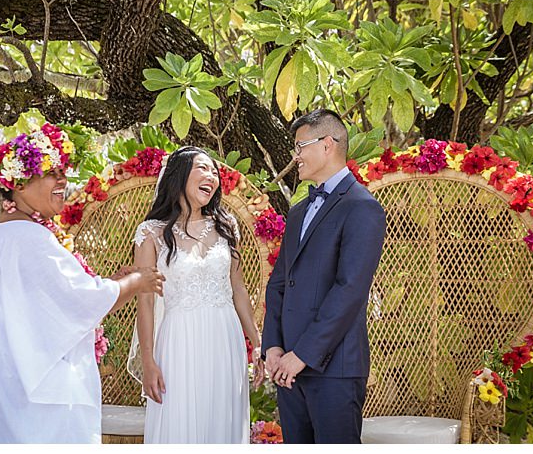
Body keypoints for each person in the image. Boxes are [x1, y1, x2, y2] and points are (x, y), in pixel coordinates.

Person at [0, 123, 165, 443]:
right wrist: (137, 280)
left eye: (63, 171)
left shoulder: (7, 231)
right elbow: (82, 301)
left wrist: (111, 283)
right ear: (20, 184)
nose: (63, 180)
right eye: (52, 173)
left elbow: (66, 301)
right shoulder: (27, 237)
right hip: (35, 397)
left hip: (15, 383)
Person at [261, 109, 386, 443]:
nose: (295, 156)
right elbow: (279, 283)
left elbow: (350, 291)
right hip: (287, 368)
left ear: (328, 144)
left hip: (334, 369)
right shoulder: (299, 210)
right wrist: (273, 346)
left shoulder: (362, 207)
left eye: (300, 146)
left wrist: (302, 355)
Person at [128, 146, 265, 443]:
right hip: (179, 341)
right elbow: (146, 301)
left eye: (215, 171)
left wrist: (257, 342)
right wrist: (149, 361)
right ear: (179, 176)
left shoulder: (227, 226)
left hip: (224, 338)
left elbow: (238, 288)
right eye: (203, 168)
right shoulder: (151, 233)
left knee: (222, 420)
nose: (212, 176)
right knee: (180, 422)